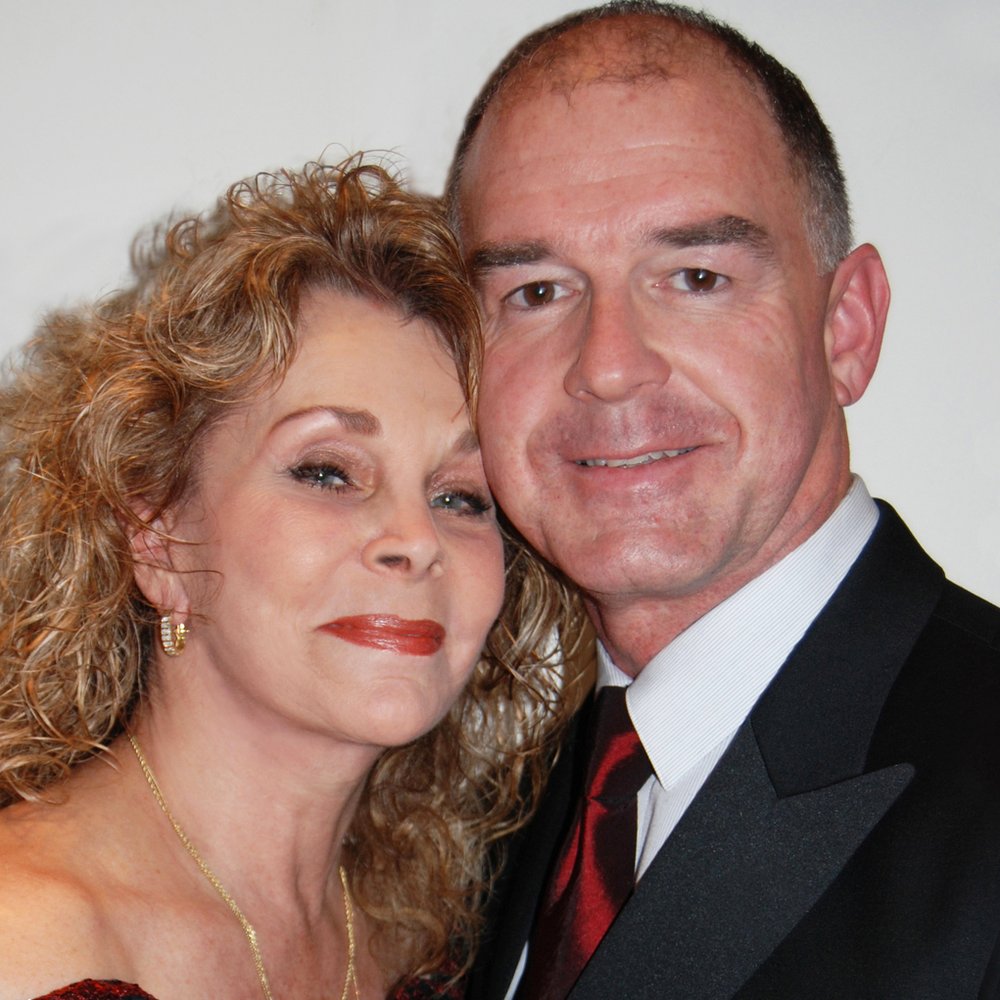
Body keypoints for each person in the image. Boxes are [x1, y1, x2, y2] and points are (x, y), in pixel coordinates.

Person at [445, 2, 1000, 998]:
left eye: (695, 276)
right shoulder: (490, 828)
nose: (608, 367)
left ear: (846, 328)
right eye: (535, 292)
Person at [0, 158, 589, 999]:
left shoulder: (438, 941)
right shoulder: (22, 938)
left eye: (461, 495)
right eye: (327, 472)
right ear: (157, 535)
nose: (415, 541)